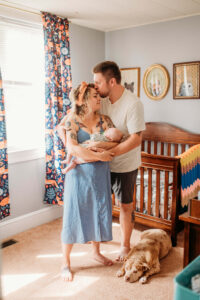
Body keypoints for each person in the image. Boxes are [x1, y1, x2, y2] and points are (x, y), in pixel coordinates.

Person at [60, 81, 117, 282]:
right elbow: (72, 149)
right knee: (73, 215)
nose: (99, 98)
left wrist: (99, 147)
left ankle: (96, 252)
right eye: (94, 96)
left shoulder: (105, 120)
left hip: (100, 175)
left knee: (98, 212)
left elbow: (115, 141)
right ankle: (66, 262)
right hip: (79, 176)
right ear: (83, 99)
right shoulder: (73, 120)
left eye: (98, 95)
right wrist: (99, 155)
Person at [93, 61, 145, 261]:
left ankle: (125, 245)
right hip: (102, 163)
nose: (95, 86)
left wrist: (111, 153)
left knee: (125, 206)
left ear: (111, 81)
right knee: (100, 204)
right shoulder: (101, 100)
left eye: (98, 82)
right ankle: (97, 243)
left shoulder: (133, 104)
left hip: (125, 165)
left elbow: (136, 138)